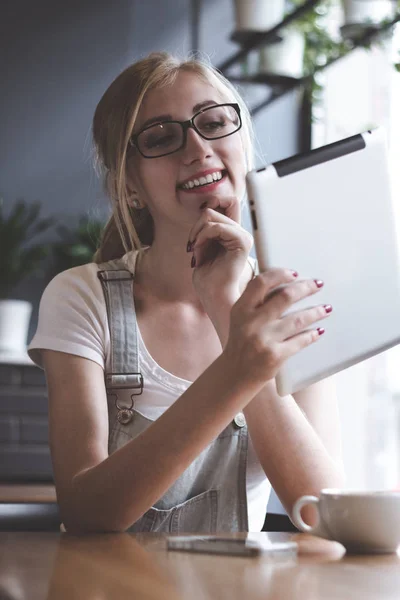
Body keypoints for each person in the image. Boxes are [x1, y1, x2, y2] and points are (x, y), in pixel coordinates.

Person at [28, 52, 344, 534]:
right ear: (129, 185)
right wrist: (240, 366)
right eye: (161, 137)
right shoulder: (81, 298)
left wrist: (227, 307)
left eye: (214, 122)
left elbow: (322, 515)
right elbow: (86, 512)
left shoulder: (291, 301)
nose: (197, 148)